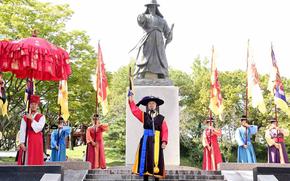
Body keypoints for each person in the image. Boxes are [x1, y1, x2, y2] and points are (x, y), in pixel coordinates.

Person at [128, 91, 168, 181]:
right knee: (145, 158)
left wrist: (164, 141)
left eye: (153, 103)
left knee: (156, 159)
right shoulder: (143, 115)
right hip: (146, 140)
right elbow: (135, 110)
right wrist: (131, 100)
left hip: (157, 140)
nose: (151, 105)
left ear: (156, 105)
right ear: (147, 106)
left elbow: (165, 130)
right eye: (149, 103)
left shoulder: (162, 118)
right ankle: (145, 178)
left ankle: (156, 178)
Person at [134, 0, 173, 79]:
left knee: (160, 58)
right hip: (148, 41)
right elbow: (141, 21)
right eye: (150, 6)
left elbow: (167, 33)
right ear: (147, 8)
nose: (151, 8)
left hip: (159, 43)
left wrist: (169, 35)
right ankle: (142, 73)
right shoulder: (146, 17)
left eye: (153, 6)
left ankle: (161, 74)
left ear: (156, 7)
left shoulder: (162, 20)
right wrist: (140, 17)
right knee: (145, 57)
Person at [17, 95, 46, 165]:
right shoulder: (25, 117)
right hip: (27, 139)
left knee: (36, 158)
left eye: (35, 104)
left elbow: (39, 128)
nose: (33, 106)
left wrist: (32, 119)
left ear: (37, 105)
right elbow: (22, 130)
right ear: (29, 105)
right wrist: (21, 143)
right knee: (26, 157)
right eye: (32, 104)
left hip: (37, 140)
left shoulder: (42, 116)